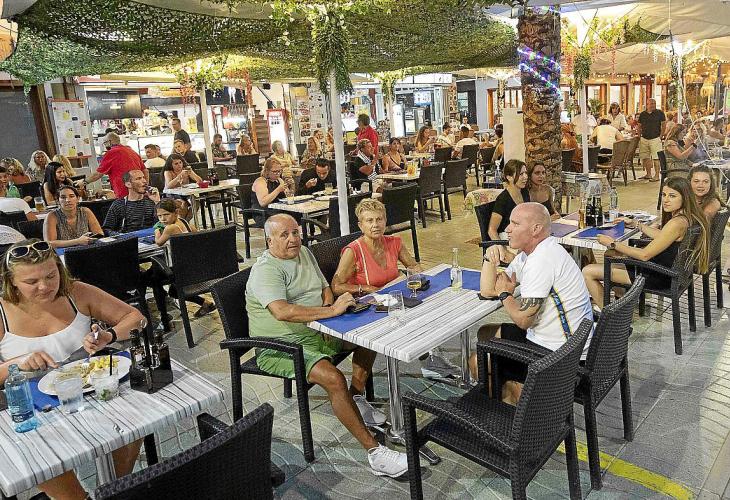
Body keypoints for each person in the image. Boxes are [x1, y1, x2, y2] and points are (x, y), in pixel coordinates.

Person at [246, 213, 408, 477]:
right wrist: (331, 312)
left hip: (318, 330)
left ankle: (355, 397)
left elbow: (324, 287)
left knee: (370, 336)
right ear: (269, 241)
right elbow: (283, 312)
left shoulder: (304, 253)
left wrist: (328, 310)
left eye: (295, 232)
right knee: (333, 379)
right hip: (280, 345)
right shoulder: (266, 270)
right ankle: (376, 453)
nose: (293, 239)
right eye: (284, 235)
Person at [0, 239, 145, 499]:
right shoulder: (2, 311)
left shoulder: (76, 292)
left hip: (90, 393)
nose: (44, 286)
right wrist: (16, 363)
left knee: (136, 419)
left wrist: (109, 335)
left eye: (51, 276)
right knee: (39, 452)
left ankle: (112, 489)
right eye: (31, 282)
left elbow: (137, 318)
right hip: (34, 407)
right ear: (11, 282)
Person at [474, 203, 593, 403]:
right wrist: (489, 257)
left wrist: (505, 295)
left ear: (536, 229)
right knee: (485, 333)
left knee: (478, 361)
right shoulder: (531, 254)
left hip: (562, 358)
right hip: (564, 343)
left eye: (515, 224)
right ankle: (508, 396)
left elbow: (523, 321)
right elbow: (488, 290)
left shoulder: (541, 260)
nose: (507, 229)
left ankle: (512, 407)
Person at [582, 177, 709, 307]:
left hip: (658, 276)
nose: (666, 200)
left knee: (588, 271)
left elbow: (644, 255)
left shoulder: (677, 223)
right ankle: (622, 304)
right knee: (612, 254)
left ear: (684, 197)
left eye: (672, 196)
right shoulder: (687, 217)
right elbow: (664, 237)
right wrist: (637, 224)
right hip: (666, 270)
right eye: (664, 195)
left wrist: (612, 243)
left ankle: (610, 316)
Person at [331, 199, 420, 296]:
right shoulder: (353, 251)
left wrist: (418, 273)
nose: (375, 225)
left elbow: (413, 266)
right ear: (361, 226)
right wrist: (366, 288)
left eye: (379, 219)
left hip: (394, 296)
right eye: (370, 221)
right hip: (367, 300)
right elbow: (336, 287)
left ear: (385, 221)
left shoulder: (395, 242)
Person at [147, 199, 216, 322]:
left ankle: (163, 318)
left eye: (166, 214)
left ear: (176, 212)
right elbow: (197, 236)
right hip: (189, 265)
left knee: (152, 279)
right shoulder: (184, 222)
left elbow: (158, 242)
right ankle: (206, 303)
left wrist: (157, 230)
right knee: (173, 292)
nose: (163, 219)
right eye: (159, 216)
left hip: (178, 269)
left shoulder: (170, 228)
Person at [487, 160, 530, 264]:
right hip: (508, 238)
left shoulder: (524, 192)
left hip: (523, 235)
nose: (525, 177)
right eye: (521, 174)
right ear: (509, 177)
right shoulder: (503, 199)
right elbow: (491, 230)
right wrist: (503, 249)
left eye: (526, 173)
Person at [86, 132, 148, 198]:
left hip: (124, 193)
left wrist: (84, 182)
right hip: (138, 193)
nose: (105, 146)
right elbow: (145, 171)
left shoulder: (111, 153)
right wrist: (145, 188)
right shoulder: (132, 151)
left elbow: (97, 174)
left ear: (109, 142)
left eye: (105, 143)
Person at [251, 157, 287, 225]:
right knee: (286, 220)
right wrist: (278, 189)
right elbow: (263, 202)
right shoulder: (261, 181)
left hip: (277, 210)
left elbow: (285, 198)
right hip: (262, 213)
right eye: (274, 171)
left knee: (297, 215)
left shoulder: (279, 180)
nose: (278, 174)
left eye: (279, 171)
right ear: (267, 171)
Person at [638, 98, 666, 181]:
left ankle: (657, 175)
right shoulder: (642, 114)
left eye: (654, 103)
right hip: (644, 138)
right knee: (645, 157)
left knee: (656, 158)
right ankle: (648, 174)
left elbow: (664, 125)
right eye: (651, 103)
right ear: (647, 105)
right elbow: (639, 126)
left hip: (655, 138)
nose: (653, 105)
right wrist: (639, 136)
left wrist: (661, 136)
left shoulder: (660, 113)